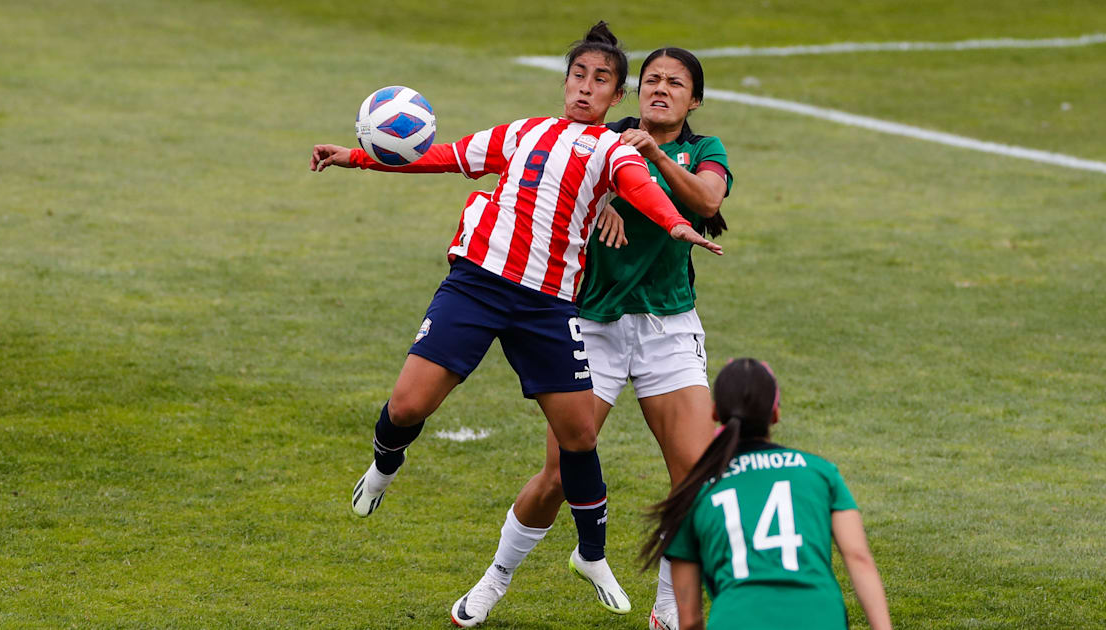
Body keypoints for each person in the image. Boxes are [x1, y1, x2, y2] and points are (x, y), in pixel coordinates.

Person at [308, 20, 721, 620]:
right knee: (440, 421)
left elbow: (672, 192)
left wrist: (672, 220)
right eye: (578, 75)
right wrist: (358, 157)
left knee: (641, 462)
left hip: (606, 317)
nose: (586, 87)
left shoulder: (643, 151)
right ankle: (447, 531)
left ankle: (646, 593)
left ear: (618, 96)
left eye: (602, 79)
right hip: (535, 302)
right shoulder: (544, 134)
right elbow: (447, 157)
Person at [450, 47, 732, 629]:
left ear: (694, 100)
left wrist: (653, 157)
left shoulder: (703, 151)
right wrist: (607, 195)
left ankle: (665, 612)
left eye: (675, 84)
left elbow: (706, 202)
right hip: (593, 324)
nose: (661, 89)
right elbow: (562, 177)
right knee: (558, 473)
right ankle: (494, 580)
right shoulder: (602, 140)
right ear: (633, 93)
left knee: (694, 476)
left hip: (668, 328)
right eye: (651, 79)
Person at [641, 359, 893, 630]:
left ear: (715, 413)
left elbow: (689, 621)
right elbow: (858, 557)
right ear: (775, 415)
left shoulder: (694, 493)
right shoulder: (820, 473)